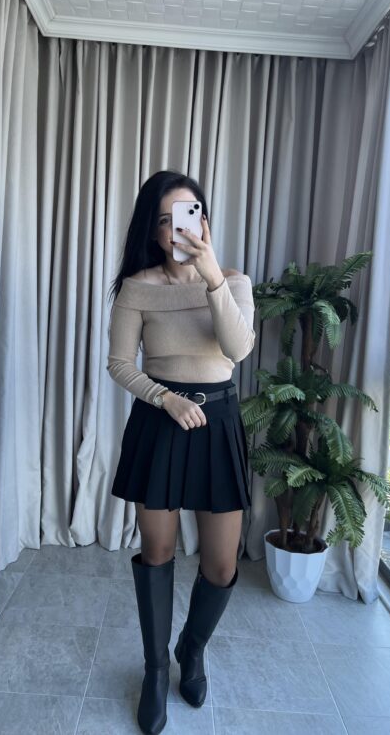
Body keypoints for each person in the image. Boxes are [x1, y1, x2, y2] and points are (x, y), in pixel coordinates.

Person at [107, 170, 255, 735]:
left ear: (204, 222)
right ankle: (154, 669)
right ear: (152, 228)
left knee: (221, 564)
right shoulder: (137, 287)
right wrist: (165, 399)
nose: (177, 229)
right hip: (160, 422)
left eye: (188, 216)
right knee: (158, 551)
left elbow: (237, 350)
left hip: (218, 424)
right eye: (165, 219)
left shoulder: (233, 281)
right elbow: (120, 364)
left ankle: (192, 650)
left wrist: (212, 276)